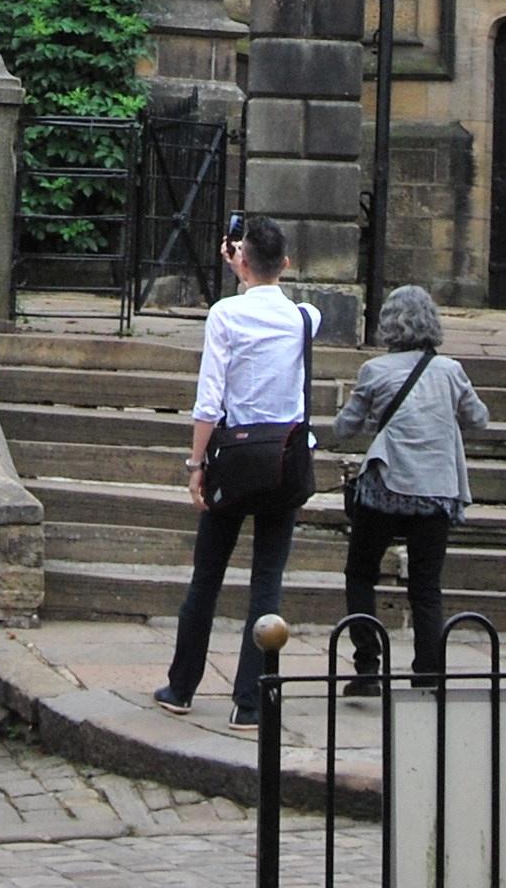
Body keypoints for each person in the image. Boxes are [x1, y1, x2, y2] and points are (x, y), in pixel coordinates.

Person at [158, 215, 317, 728]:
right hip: (283, 462)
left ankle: (182, 686)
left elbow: (209, 402)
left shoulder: (224, 316)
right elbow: (280, 298)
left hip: (233, 459)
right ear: (287, 265)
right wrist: (250, 270)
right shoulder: (305, 318)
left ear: (240, 260)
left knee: (207, 576)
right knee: (266, 582)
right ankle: (250, 701)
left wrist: (195, 465)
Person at [329, 285, 489, 692]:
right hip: (435, 491)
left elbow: (343, 427)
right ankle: (428, 673)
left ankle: (367, 668)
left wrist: (371, 419)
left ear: (387, 325)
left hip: (385, 486)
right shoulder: (450, 371)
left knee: (361, 573)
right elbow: (479, 418)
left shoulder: (375, 371)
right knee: (426, 587)